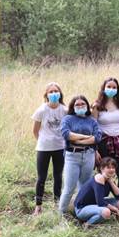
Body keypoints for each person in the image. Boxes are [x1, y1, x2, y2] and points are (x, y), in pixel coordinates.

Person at [58, 94, 102, 214]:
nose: (80, 106)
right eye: (77, 104)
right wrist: (87, 137)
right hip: (72, 156)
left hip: (88, 155)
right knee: (69, 187)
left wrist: (77, 140)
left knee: (84, 187)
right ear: (73, 107)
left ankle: (81, 211)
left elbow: (97, 137)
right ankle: (61, 214)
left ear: (87, 106)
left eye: (83, 104)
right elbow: (67, 134)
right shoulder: (67, 119)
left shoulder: (92, 121)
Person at [92, 77, 119, 197]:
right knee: (105, 174)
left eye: (114, 87)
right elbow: (92, 127)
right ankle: (101, 199)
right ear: (103, 88)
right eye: (109, 87)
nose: (111, 89)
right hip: (103, 143)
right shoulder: (97, 105)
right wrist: (95, 150)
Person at [32, 82, 66, 214]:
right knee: (42, 177)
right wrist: (43, 142)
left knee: (58, 176)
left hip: (60, 147)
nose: (53, 94)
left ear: (60, 94)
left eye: (56, 91)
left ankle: (57, 203)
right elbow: (35, 131)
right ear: (46, 95)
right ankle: (38, 206)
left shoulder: (64, 110)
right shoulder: (41, 110)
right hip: (43, 148)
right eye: (50, 92)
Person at [74, 157, 119, 227]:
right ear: (102, 169)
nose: (111, 170)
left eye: (113, 167)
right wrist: (115, 209)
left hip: (95, 205)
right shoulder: (99, 178)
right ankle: (87, 224)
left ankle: (101, 219)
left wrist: (110, 181)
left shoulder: (108, 179)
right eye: (108, 167)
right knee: (106, 211)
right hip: (82, 208)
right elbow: (100, 203)